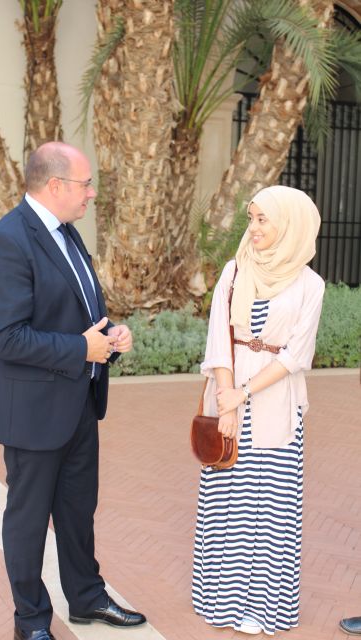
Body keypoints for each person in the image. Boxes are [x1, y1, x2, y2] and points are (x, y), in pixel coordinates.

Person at [0, 142, 146, 640]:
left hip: (78, 405)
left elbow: (76, 311)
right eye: (85, 184)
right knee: (27, 521)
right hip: (32, 412)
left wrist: (111, 334)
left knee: (77, 512)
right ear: (55, 186)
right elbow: (6, 338)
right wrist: (79, 349)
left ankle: (87, 598)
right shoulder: (7, 241)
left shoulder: (67, 234)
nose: (92, 193)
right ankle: (30, 621)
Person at [192, 185, 325, 635]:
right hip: (228, 392)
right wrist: (226, 401)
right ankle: (220, 599)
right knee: (228, 503)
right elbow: (219, 339)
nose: (254, 229)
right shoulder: (234, 270)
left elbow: (295, 356)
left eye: (263, 220)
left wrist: (243, 395)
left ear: (290, 224)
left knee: (271, 510)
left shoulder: (311, 285)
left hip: (275, 405)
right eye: (251, 218)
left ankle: (261, 608)